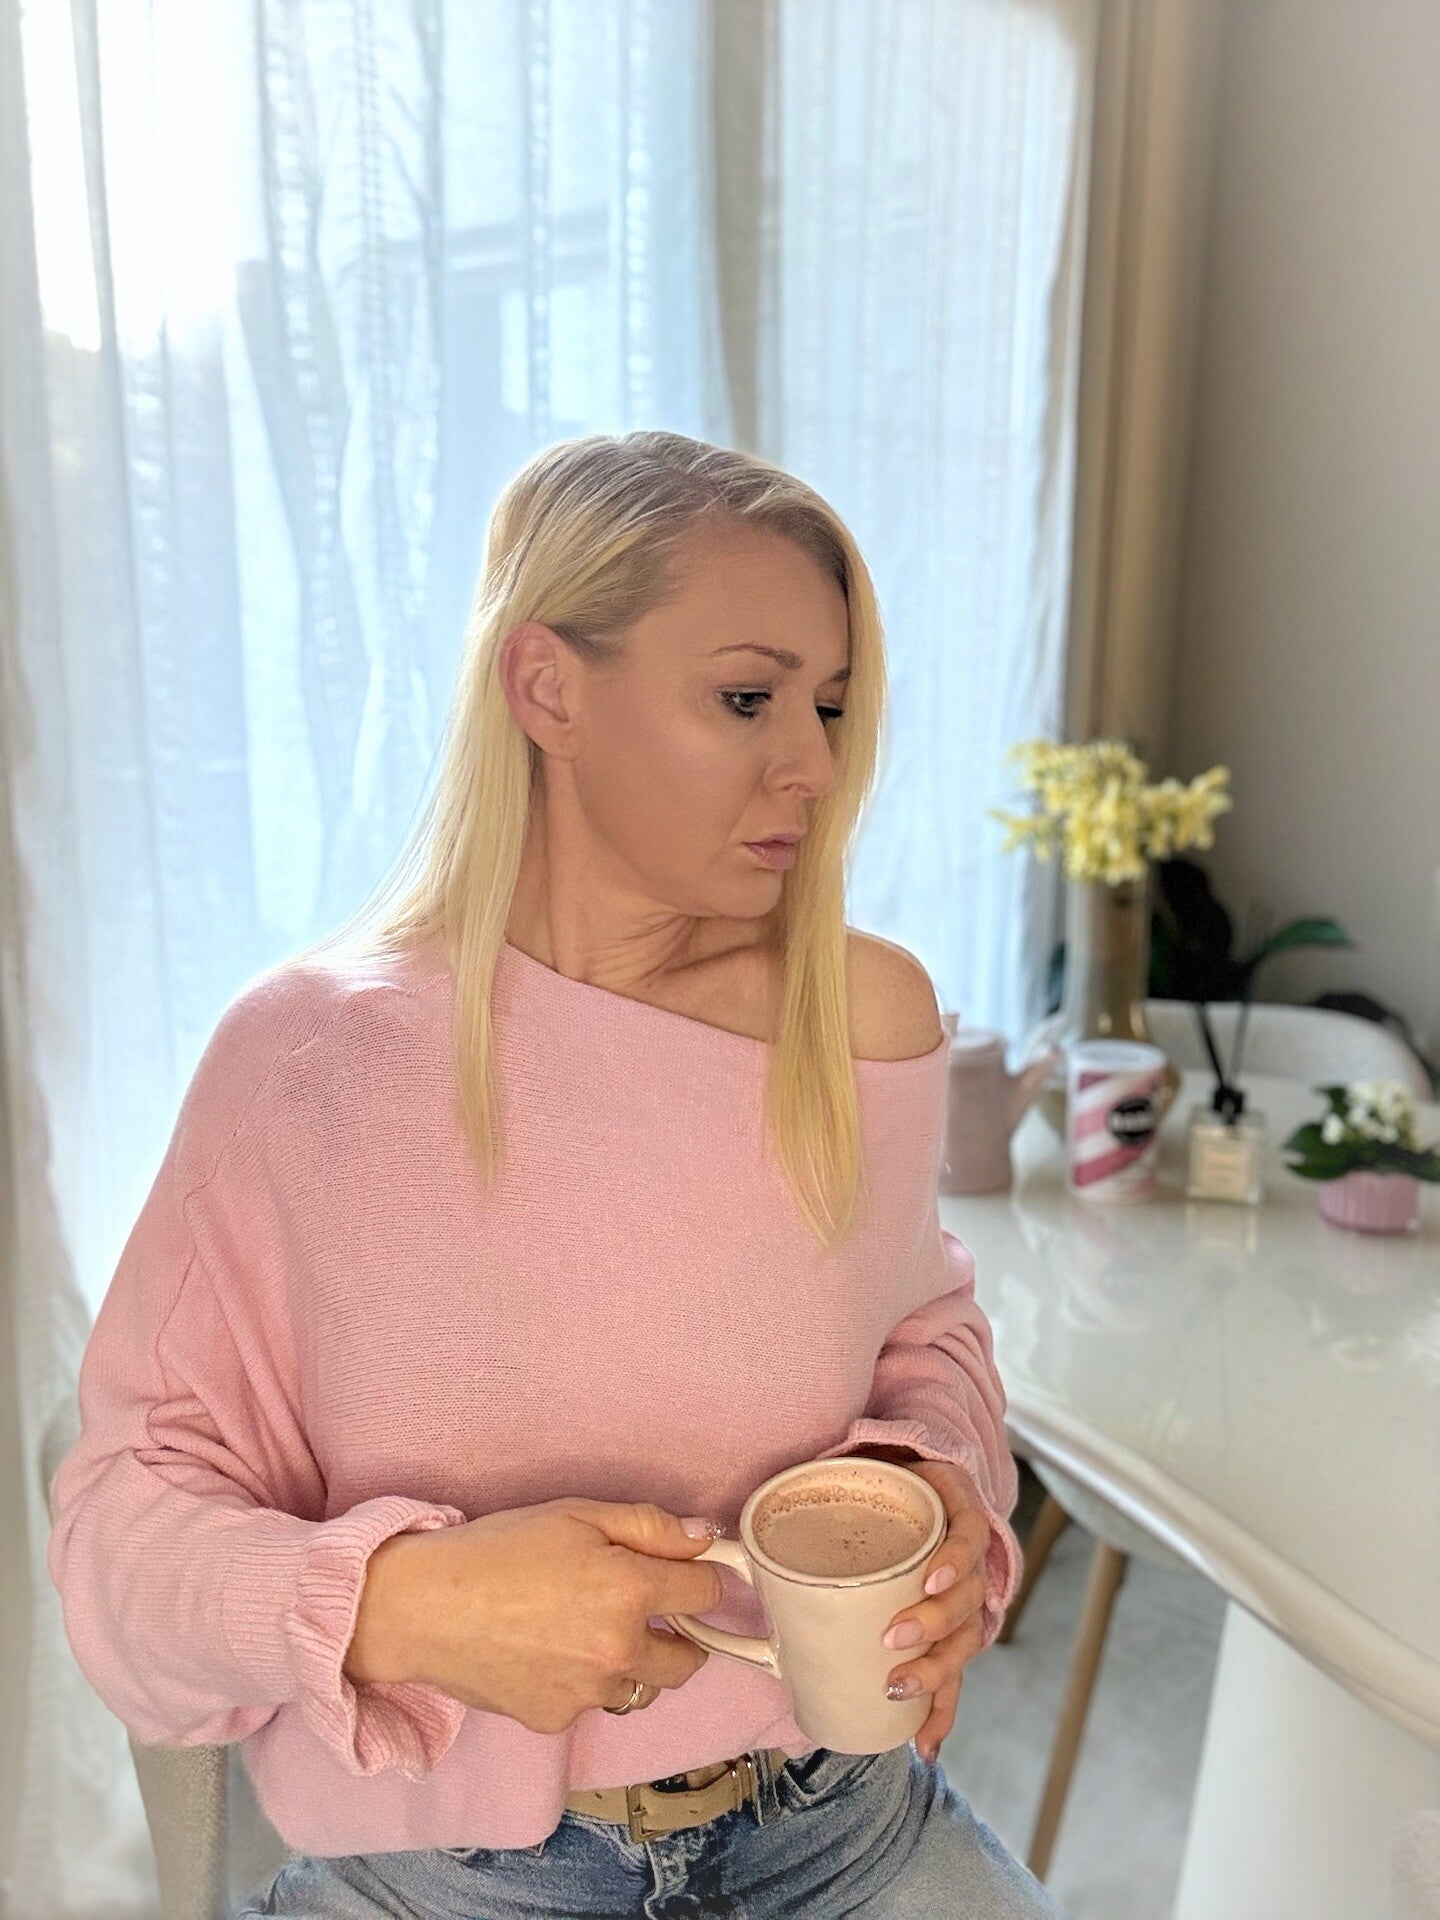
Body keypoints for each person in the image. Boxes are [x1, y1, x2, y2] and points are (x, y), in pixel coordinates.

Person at [47, 431, 1068, 1917]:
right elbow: (117, 1554)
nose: (815, 764)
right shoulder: (311, 1066)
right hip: (448, 1881)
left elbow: (925, 1325)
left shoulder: (857, 1020)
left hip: (841, 1826)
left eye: (833, 707)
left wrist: (934, 1486)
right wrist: (398, 1607)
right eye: (748, 697)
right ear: (546, 689)